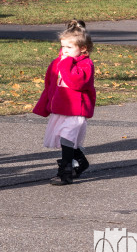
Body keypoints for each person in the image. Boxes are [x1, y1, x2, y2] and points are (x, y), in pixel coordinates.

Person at [32, 21, 96, 185]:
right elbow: (50, 86)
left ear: (83, 48)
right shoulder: (57, 62)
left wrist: (66, 63)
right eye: (63, 47)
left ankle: (65, 172)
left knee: (68, 139)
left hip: (75, 111)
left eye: (69, 47)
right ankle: (80, 161)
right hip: (60, 109)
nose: (64, 51)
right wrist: (44, 106)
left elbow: (77, 82)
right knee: (64, 140)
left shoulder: (85, 65)